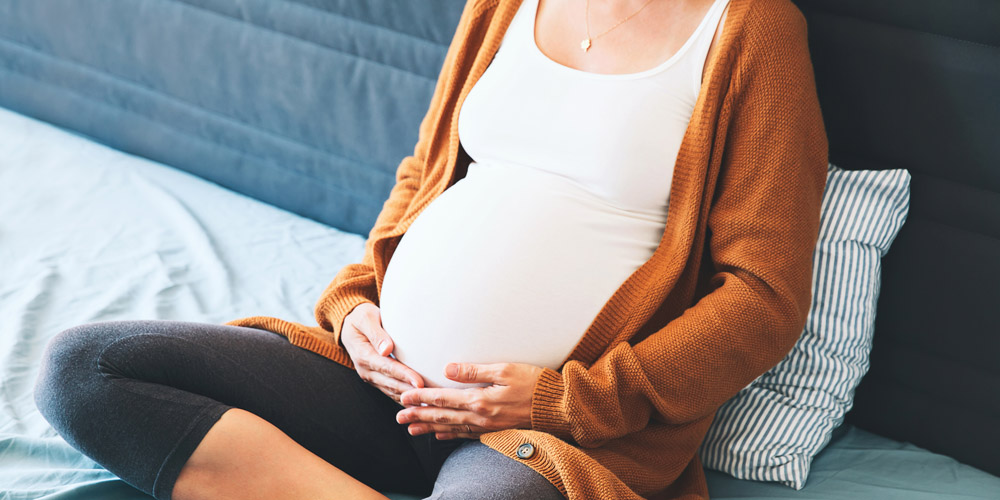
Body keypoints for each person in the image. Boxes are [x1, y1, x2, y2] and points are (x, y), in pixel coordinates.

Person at [33, 0, 828, 498]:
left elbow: (764, 296)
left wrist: (563, 399)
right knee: (83, 371)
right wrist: (354, 309)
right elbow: (427, 173)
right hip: (382, 389)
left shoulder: (750, 26)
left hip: (545, 435)